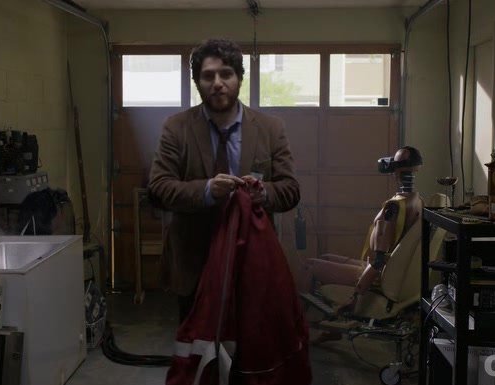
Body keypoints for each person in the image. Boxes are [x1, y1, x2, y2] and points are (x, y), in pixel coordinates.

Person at [148, 38, 300, 322]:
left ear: (239, 78)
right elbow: (158, 188)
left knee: (250, 344)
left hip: (252, 261)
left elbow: (290, 190)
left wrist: (263, 193)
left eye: (226, 74)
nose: (217, 83)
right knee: (197, 345)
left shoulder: (270, 128)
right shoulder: (176, 128)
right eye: (208, 76)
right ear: (197, 82)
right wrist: (207, 190)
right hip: (194, 264)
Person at [301, 146, 424, 296]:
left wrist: (360, 288)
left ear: (396, 170)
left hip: (377, 273)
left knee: (309, 266)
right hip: (389, 267)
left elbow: (379, 260)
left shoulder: (394, 206)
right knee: (324, 257)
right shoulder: (417, 201)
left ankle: (299, 311)